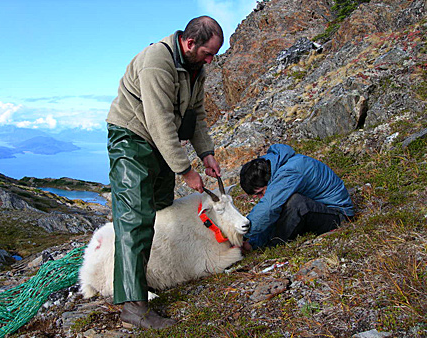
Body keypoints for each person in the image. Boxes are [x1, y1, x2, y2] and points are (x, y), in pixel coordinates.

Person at [106, 16, 223, 329]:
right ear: (188, 42)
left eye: (214, 54)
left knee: (160, 210)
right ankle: (132, 306)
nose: (211, 60)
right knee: (135, 218)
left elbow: (195, 114)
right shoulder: (157, 61)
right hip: (131, 139)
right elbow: (158, 121)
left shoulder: (196, 67)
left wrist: (206, 153)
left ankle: (148, 280)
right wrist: (186, 171)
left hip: (158, 142)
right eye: (208, 53)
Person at [240, 144, 354, 251]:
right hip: (319, 207)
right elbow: (272, 210)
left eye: (261, 192)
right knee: (281, 203)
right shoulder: (277, 167)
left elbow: (268, 208)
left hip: (339, 215)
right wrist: (253, 240)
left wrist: (240, 234)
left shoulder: (290, 171)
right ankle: (256, 243)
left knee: (296, 203)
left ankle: (271, 246)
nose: (260, 197)